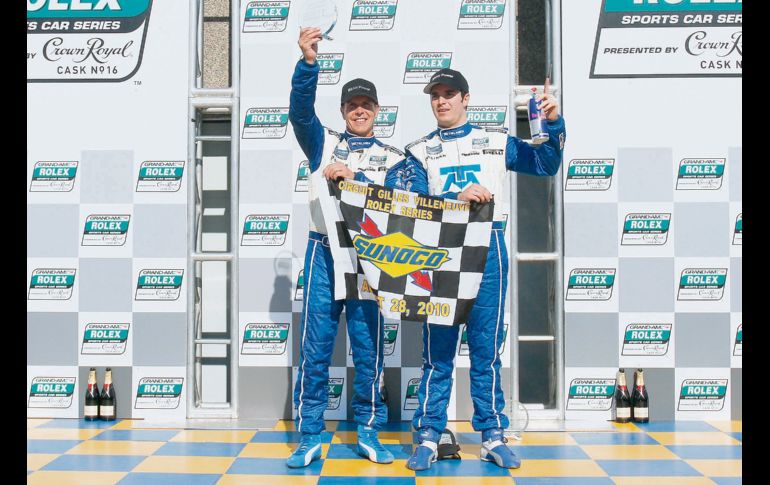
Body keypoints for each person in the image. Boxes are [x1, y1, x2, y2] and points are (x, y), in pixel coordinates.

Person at [394, 68, 566, 471]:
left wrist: (554, 124)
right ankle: (429, 436)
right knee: (438, 355)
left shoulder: (495, 141)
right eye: (435, 95)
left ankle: (491, 434)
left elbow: (545, 163)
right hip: (440, 254)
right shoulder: (418, 150)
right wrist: (455, 196)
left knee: (486, 352)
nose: (442, 101)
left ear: (466, 98)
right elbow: (409, 201)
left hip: (488, 249)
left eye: (449, 93)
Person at [286, 27, 411, 468]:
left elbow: (404, 210)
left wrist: (359, 184)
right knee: (316, 348)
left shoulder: (396, 157)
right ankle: (309, 437)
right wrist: (307, 65)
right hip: (324, 251)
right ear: (342, 111)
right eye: (352, 106)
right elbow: (300, 112)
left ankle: (370, 433)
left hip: (370, 260)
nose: (359, 112)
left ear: (377, 111)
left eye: (366, 106)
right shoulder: (322, 143)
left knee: (368, 349)